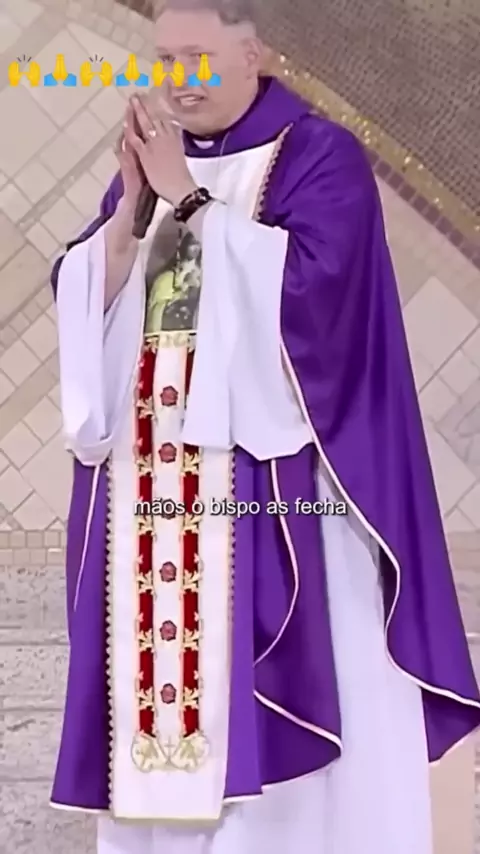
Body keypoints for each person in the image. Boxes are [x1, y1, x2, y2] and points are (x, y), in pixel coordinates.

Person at [50, 0, 480, 852]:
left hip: (284, 504)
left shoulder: (318, 155)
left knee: (292, 792)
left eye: (199, 58)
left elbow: (318, 306)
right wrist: (129, 219)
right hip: (153, 506)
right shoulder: (154, 167)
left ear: (258, 56)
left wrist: (188, 200)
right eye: (165, 61)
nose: (179, 81)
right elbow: (95, 306)